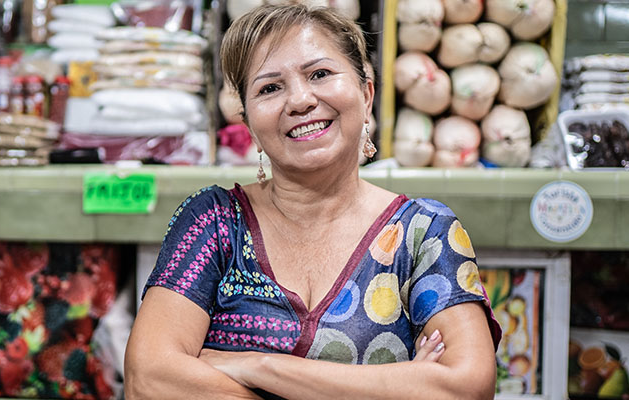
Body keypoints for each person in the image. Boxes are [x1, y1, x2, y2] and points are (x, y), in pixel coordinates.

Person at [125, 4, 502, 399]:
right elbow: (150, 379)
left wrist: (258, 365)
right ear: (249, 123)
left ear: (366, 93)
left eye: (320, 74)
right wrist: (395, 387)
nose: (300, 100)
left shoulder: (424, 233)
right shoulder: (215, 220)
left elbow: (466, 388)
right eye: (270, 88)